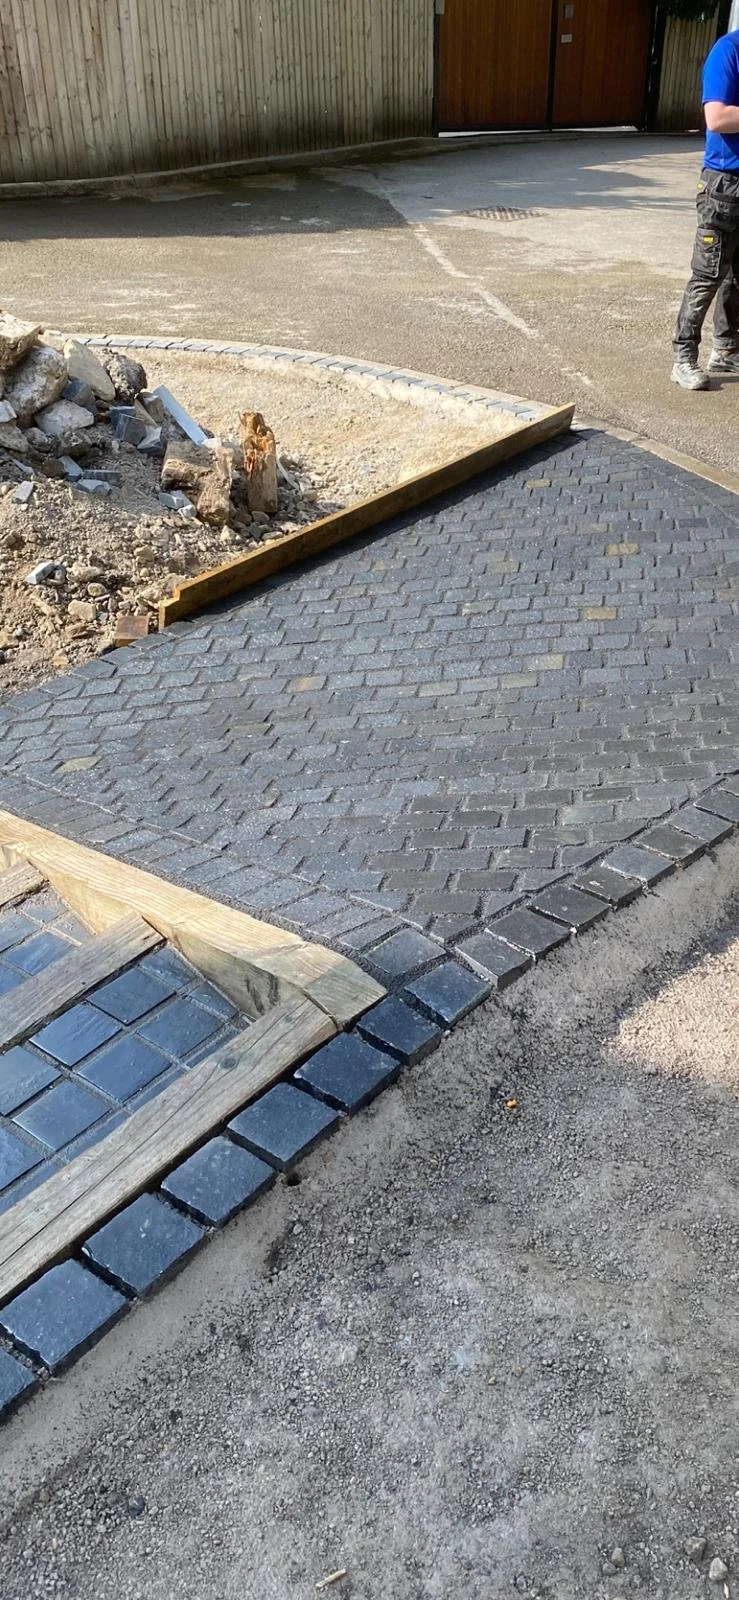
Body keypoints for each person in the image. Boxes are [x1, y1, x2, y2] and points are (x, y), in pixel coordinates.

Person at [672, 27, 739, 389]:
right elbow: (718, 117)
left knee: (737, 278)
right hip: (724, 185)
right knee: (708, 274)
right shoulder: (728, 51)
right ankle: (683, 357)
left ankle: (726, 350)